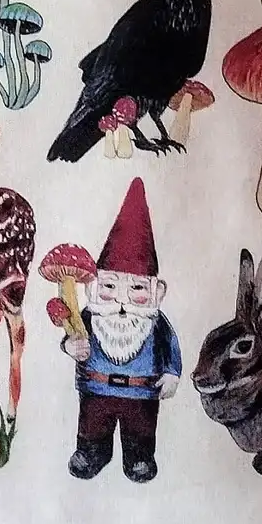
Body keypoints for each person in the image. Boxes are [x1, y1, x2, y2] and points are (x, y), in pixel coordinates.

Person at [63, 179, 181, 483]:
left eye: (137, 288)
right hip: (95, 389)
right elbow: (72, 332)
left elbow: (170, 346)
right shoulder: (90, 316)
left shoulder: (155, 323)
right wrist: (70, 345)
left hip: (142, 393)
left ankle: (139, 458)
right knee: (92, 426)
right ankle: (91, 453)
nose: (121, 300)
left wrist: (172, 373)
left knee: (140, 429)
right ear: (93, 287)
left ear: (157, 292)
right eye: (110, 286)